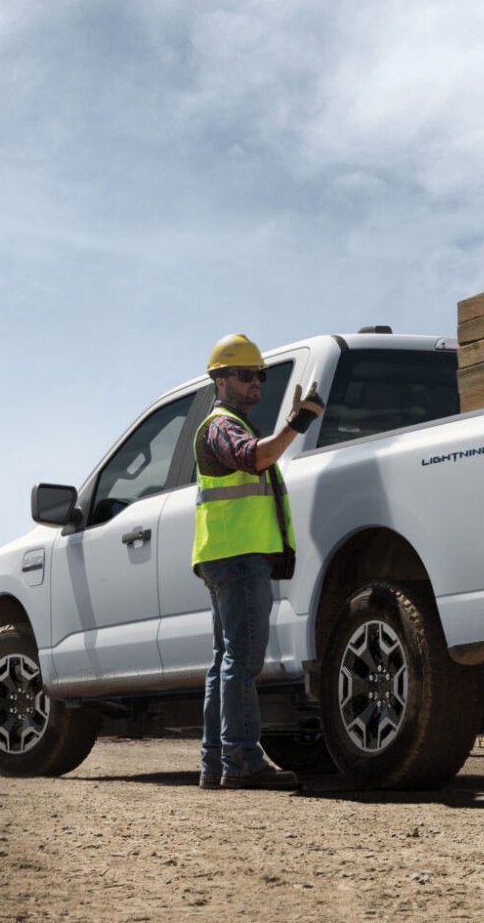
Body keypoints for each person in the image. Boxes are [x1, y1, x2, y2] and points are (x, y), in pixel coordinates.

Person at [192, 333, 324, 789]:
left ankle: (215, 763)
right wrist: (297, 423)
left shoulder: (228, 424)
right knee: (241, 662)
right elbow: (256, 458)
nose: (256, 384)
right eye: (246, 376)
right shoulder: (222, 426)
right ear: (220, 380)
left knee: (224, 661)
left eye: (260, 376)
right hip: (237, 555)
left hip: (225, 553)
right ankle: (242, 761)